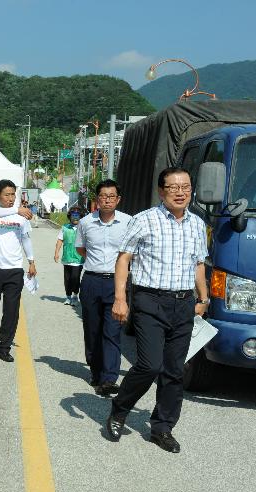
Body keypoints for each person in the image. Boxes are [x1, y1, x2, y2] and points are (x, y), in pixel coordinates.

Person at [106, 167, 209, 453]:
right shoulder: (144, 220)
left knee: (174, 370)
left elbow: (199, 263)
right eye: (173, 187)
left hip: (184, 303)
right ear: (161, 191)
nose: (180, 192)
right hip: (150, 301)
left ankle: (162, 427)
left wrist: (203, 298)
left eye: (185, 187)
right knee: (149, 364)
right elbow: (123, 258)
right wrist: (120, 298)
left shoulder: (197, 224)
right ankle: (120, 407)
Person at [74, 180, 131, 396]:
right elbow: (80, 248)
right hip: (91, 281)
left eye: (111, 196)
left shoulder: (128, 222)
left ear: (118, 199)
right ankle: (95, 371)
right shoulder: (86, 222)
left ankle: (109, 378)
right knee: (92, 329)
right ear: (97, 199)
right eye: (103, 196)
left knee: (112, 330)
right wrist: (97, 263)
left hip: (116, 282)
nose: (107, 200)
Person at [0, 179, 37, 362]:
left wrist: (31, 261)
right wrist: (17, 209)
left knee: (11, 311)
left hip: (13, 270)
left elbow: (26, 239)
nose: (11, 198)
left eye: (13, 194)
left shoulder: (21, 217)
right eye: (7, 195)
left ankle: (4, 347)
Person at [54, 207, 84, 305]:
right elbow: (60, 240)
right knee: (67, 279)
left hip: (78, 259)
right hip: (67, 258)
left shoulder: (83, 228)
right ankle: (68, 297)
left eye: (77, 216)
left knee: (75, 278)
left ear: (81, 217)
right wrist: (56, 253)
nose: (75, 218)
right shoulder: (65, 228)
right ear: (69, 217)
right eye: (73, 216)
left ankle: (75, 296)